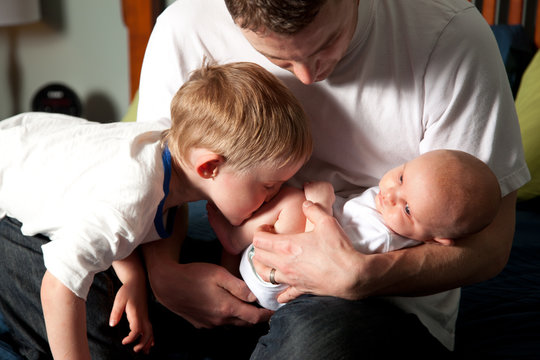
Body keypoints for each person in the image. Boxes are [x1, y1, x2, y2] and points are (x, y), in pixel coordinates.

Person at [136, 0, 530, 358]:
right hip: (228, 261)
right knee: (95, 273)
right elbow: (154, 175)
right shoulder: (185, 27)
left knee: (316, 339)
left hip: (369, 302)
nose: (308, 77)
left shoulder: (451, 35)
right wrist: (164, 275)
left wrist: (365, 276)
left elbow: (491, 243)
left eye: (327, 44)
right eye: (280, 61)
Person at [0, 61, 312, 360]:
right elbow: (58, 284)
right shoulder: (133, 194)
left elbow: (127, 211)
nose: (273, 197)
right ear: (210, 167)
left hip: (34, 139)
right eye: (269, 186)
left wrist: (133, 275)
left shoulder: (171, 154)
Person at [209, 149, 502, 310]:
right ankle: (232, 263)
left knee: (294, 198)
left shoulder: (382, 239)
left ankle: (236, 239)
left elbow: (316, 255)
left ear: (437, 239)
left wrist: (321, 205)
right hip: (270, 267)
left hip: (283, 282)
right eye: (401, 177)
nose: (389, 194)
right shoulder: (389, 208)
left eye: (408, 209)